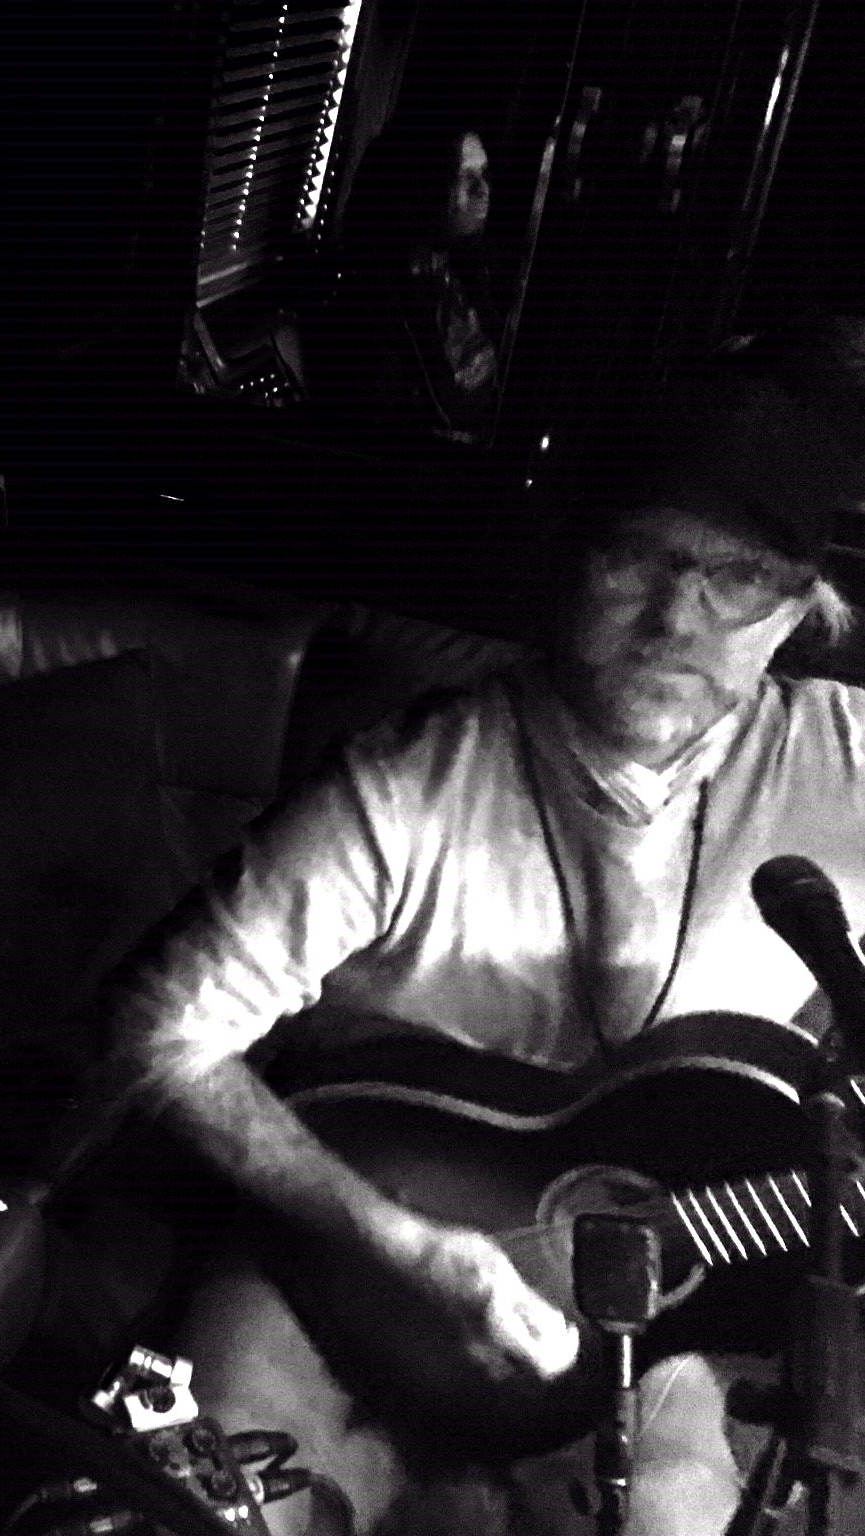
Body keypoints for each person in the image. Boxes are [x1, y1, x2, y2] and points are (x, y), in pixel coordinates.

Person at [116, 316, 865, 1535]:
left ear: (798, 612)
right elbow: (156, 1031)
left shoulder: (844, 762)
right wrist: (404, 1249)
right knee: (193, 1517)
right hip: (340, 1271)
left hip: (642, 1324)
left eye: (736, 580)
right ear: (563, 560)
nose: (679, 616)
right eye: (637, 557)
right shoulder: (406, 780)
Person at [312, 115, 502, 441]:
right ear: (424, 188)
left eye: (484, 174)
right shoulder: (372, 307)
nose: (483, 189)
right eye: (465, 177)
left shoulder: (465, 266)